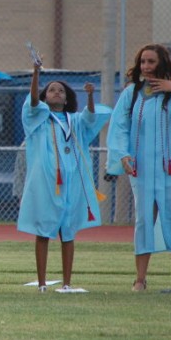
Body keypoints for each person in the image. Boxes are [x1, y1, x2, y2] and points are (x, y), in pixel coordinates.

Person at [106, 44, 171, 292]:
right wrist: (122, 155)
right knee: (144, 220)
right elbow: (118, 127)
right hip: (143, 168)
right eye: (142, 62)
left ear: (162, 62)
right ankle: (139, 279)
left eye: (151, 62)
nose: (146, 67)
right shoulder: (132, 93)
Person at [17, 60, 111, 292]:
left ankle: (67, 283)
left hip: (72, 182)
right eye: (51, 90)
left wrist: (90, 96)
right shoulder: (38, 119)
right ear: (45, 97)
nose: (56, 92)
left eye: (61, 90)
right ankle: (41, 283)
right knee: (44, 230)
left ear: (67, 98)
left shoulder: (75, 121)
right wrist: (37, 73)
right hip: (47, 182)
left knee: (68, 232)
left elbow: (91, 118)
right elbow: (33, 102)